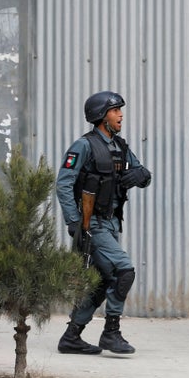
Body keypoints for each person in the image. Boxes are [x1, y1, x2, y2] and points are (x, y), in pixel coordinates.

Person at [55, 91, 152, 355]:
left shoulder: (120, 146)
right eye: (115, 110)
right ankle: (111, 333)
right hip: (92, 224)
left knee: (100, 282)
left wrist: (141, 175)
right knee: (124, 271)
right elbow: (63, 184)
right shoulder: (83, 146)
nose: (121, 115)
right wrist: (74, 222)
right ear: (101, 116)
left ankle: (71, 337)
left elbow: (142, 173)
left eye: (121, 110)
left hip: (112, 224)